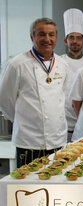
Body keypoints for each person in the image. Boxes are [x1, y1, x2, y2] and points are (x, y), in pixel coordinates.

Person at [0, 18, 70, 167]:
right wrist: (24, 122)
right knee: (28, 187)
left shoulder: (63, 64)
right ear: (32, 37)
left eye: (51, 35)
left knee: (58, 185)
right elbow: (5, 101)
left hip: (57, 139)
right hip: (28, 142)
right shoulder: (17, 64)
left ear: (56, 38)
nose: (47, 39)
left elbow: (62, 97)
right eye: (41, 34)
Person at [61, 8, 83, 142]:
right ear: (65, 40)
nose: (75, 41)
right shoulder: (59, 62)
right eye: (71, 37)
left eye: (78, 38)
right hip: (63, 124)